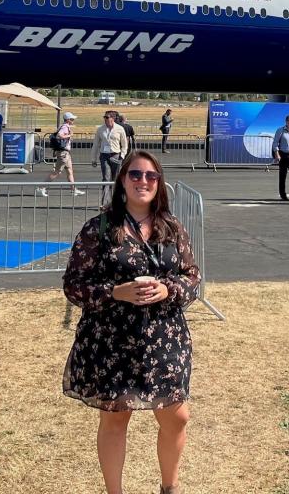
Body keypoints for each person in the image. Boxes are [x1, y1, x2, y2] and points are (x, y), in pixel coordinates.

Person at [63, 152, 200, 494]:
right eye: (135, 174)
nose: (143, 181)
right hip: (111, 340)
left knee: (177, 416)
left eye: (151, 176)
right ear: (122, 180)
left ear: (159, 183)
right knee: (114, 418)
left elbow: (192, 277)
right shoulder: (99, 229)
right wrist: (115, 292)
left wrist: (168, 288)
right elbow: (74, 285)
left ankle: (170, 487)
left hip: (164, 337)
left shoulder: (172, 227)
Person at [38, 112, 85, 197]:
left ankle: (73, 189)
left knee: (69, 171)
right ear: (68, 120)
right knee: (57, 172)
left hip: (65, 153)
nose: (73, 120)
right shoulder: (65, 127)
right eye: (72, 119)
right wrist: (70, 135)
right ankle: (41, 187)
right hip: (63, 153)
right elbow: (59, 135)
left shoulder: (63, 126)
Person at [92, 111, 129, 190]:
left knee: (115, 179)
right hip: (104, 156)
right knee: (106, 178)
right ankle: (105, 200)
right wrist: (93, 159)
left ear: (113, 118)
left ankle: (115, 198)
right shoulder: (100, 129)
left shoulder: (120, 129)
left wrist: (122, 156)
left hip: (116, 156)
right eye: (104, 117)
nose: (105, 119)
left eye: (107, 117)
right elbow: (95, 144)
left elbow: (124, 144)